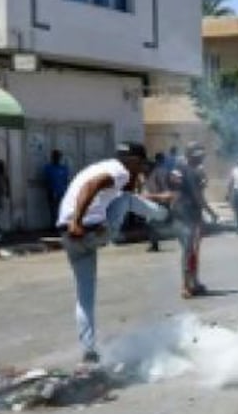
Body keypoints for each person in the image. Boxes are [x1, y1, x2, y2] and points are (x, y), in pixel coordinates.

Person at [58, 142, 169, 363]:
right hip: (89, 232)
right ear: (133, 161)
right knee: (127, 201)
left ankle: (89, 349)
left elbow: (104, 189)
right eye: (141, 165)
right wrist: (77, 222)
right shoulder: (119, 171)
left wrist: (73, 225)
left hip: (70, 238)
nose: (140, 171)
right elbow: (91, 186)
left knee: (84, 297)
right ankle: (166, 216)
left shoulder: (106, 167)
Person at [169, 142, 219, 298]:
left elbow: (174, 191)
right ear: (192, 156)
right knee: (189, 251)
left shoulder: (178, 169)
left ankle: (194, 283)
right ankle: (186, 286)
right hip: (189, 215)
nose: (202, 158)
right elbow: (198, 196)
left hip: (179, 213)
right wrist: (210, 212)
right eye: (200, 156)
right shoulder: (191, 171)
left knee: (192, 251)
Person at [144, 153, 171, 252]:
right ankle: (154, 244)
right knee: (151, 223)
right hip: (154, 201)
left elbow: (163, 188)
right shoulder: (154, 173)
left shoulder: (157, 172)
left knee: (152, 223)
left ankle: (154, 244)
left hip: (157, 201)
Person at [42, 149, 71, 227]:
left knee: (62, 209)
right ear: (52, 157)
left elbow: (66, 180)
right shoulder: (48, 168)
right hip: (52, 192)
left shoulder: (64, 168)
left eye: (58, 156)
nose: (56, 158)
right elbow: (46, 180)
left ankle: (62, 224)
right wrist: (50, 190)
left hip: (61, 192)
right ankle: (54, 226)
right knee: (53, 210)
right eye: (55, 156)